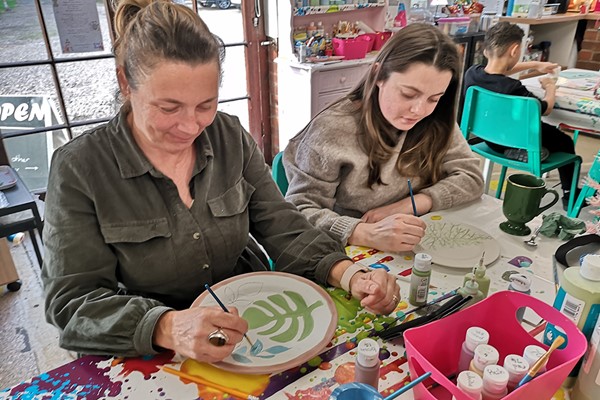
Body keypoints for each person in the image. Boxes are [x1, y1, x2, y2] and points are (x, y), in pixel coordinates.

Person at [42, 0, 400, 362]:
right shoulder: (80, 169)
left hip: (250, 320)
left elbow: (280, 224)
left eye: (205, 104)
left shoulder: (227, 134)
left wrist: (348, 273)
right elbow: (71, 302)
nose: (190, 127)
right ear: (125, 82)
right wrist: (168, 327)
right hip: (149, 348)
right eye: (168, 108)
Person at [283, 24, 484, 253]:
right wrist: (363, 232)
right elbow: (300, 208)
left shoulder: (436, 120)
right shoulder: (331, 130)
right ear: (378, 74)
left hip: (416, 241)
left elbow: (471, 177)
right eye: (408, 94)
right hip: (347, 248)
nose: (418, 110)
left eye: (434, 98)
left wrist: (411, 204)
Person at [464, 21, 579, 210]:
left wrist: (536, 65)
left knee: (530, 131)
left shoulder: (473, 73)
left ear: (486, 50)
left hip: (490, 138)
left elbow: (501, 70)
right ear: (515, 50)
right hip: (519, 139)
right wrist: (550, 87)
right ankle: (569, 195)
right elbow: (546, 108)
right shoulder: (514, 88)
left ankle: (518, 150)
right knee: (565, 142)